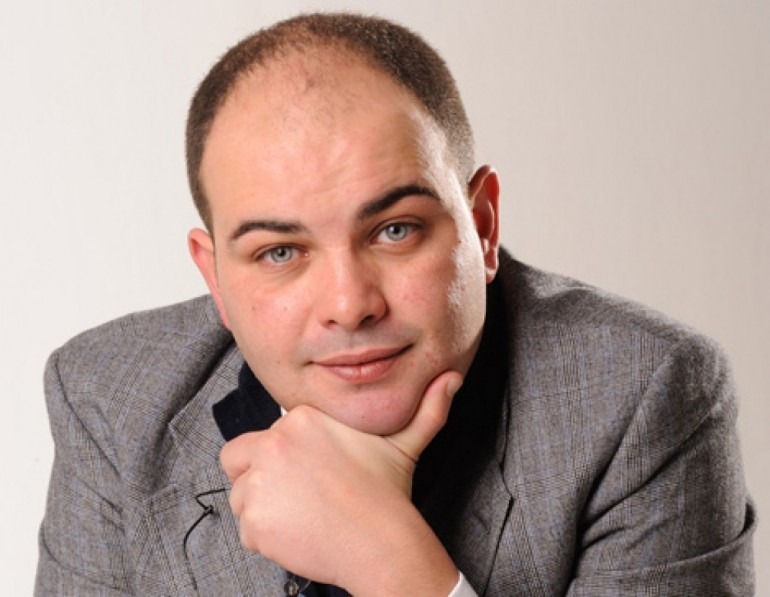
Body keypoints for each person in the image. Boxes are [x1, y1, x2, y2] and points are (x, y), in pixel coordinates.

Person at [35, 12, 755, 596]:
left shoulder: (640, 394)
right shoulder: (109, 398)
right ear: (216, 277)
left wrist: (388, 562)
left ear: (482, 226)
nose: (349, 305)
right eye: (280, 252)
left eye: (395, 230)